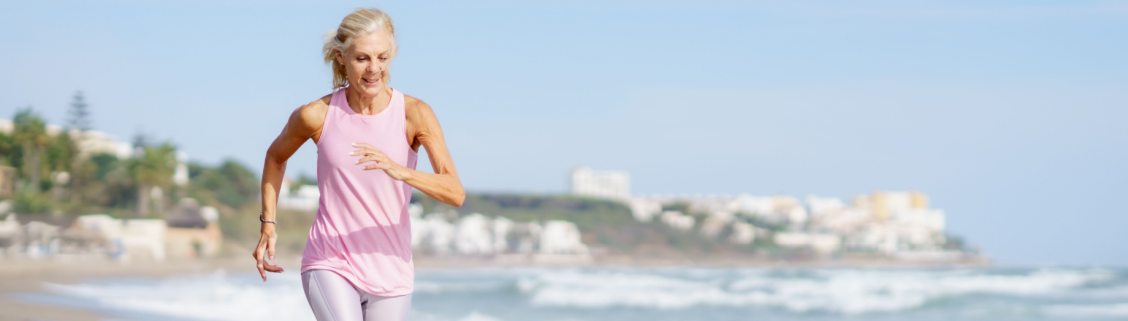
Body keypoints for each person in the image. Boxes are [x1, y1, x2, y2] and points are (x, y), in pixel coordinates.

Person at [251, 8, 465, 321]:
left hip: (392, 268)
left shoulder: (414, 113)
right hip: (330, 261)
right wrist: (268, 223)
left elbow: (454, 192)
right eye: (362, 58)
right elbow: (275, 157)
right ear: (341, 56)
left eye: (383, 57)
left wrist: (399, 170)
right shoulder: (317, 115)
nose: (374, 69)